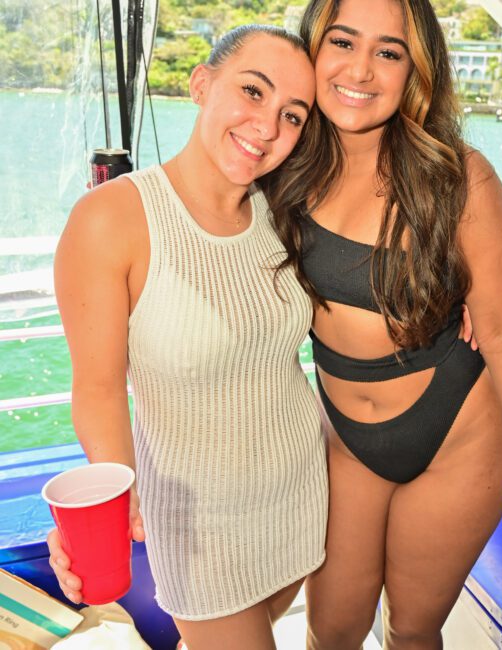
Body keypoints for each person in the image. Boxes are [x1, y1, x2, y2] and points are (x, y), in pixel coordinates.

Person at [264, 1, 502, 648]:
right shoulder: (282, 160)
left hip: (455, 440)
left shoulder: (459, 179)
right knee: (333, 630)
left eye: (388, 52)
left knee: (410, 632)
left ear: (416, 70)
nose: (361, 69)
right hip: (345, 440)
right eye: (343, 43)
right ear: (313, 51)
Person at [46, 24, 329, 650]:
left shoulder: (282, 212)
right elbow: (96, 388)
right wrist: (117, 494)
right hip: (197, 526)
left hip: (300, 494)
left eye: (292, 115)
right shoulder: (112, 219)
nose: (267, 126)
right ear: (202, 84)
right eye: (252, 92)